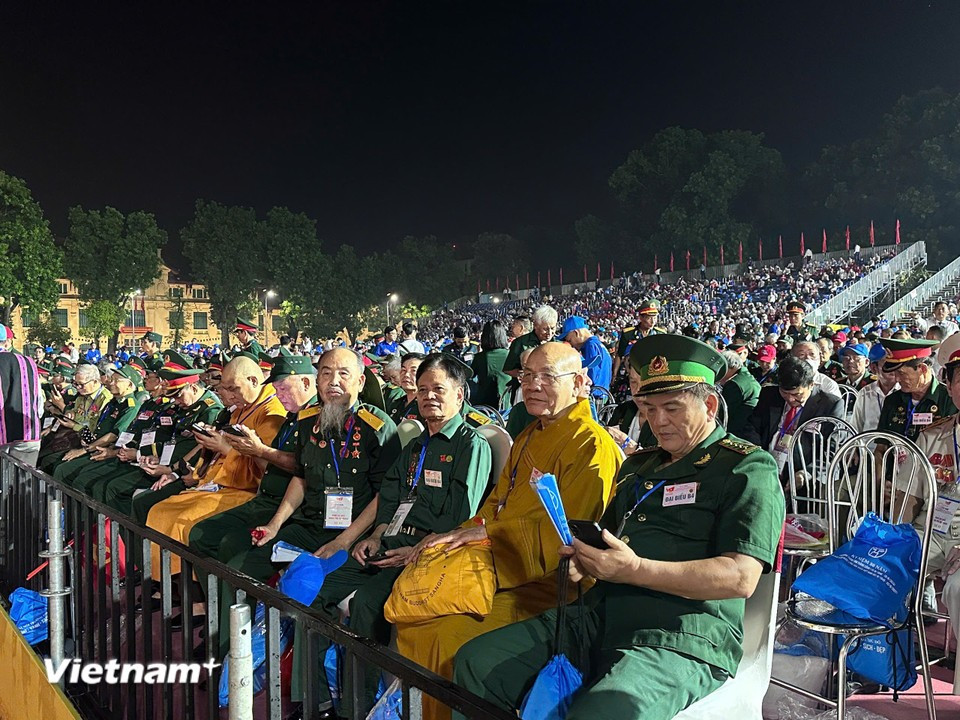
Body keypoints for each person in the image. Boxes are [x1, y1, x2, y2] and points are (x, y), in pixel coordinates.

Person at [453, 334, 784, 720]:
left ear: (709, 405)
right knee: (476, 662)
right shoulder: (638, 466)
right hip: (597, 617)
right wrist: (583, 558)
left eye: (673, 409)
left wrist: (636, 570)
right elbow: (606, 542)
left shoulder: (745, 467)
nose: (658, 422)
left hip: (678, 637)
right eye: (648, 408)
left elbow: (740, 577)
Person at [392, 342, 621, 720]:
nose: (533, 385)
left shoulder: (591, 445)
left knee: (439, 634)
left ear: (580, 383)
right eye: (528, 375)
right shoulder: (530, 434)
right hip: (498, 563)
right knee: (413, 615)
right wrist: (457, 535)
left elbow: (568, 536)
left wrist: (485, 538)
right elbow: (495, 504)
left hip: (547, 583)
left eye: (547, 376)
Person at [300, 353, 491, 717]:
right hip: (390, 542)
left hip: (429, 552)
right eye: (422, 390)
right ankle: (320, 699)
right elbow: (390, 496)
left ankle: (359, 707)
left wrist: (414, 550)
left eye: (439, 389)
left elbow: (460, 519)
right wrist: (373, 536)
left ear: (460, 395)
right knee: (317, 592)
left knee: (367, 603)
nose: (429, 397)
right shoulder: (417, 445)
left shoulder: (471, 445)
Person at [187, 353, 320, 653]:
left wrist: (259, 450)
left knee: (234, 558)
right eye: (278, 389)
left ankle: (230, 645)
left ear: (306, 382)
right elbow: (266, 471)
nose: (280, 395)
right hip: (266, 498)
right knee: (202, 536)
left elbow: (302, 468)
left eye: (285, 389)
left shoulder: (315, 419)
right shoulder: (292, 418)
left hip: (289, 508)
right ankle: (219, 623)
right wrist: (252, 449)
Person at [141, 354, 286, 578]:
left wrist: (225, 449)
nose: (227, 396)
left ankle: (194, 593)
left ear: (254, 381)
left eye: (233, 389)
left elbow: (267, 470)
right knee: (160, 511)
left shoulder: (271, 414)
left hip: (244, 490)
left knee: (184, 523)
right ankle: (169, 585)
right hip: (219, 481)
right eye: (224, 389)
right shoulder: (241, 408)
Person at [743, 356, 844, 480]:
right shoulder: (769, 394)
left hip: (804, 470)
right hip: (766, 463)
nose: (790, 399)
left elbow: (831, 449)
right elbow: (752, 427)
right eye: (785, 393)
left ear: (811, 385)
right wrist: (757, 455)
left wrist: (806, 473)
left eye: (797, 394)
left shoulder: (830, 405)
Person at [876, 337, 956, 443]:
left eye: (902, 373)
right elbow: (881, 447)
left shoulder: (950, 400)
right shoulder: (892, 400)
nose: (897, 379)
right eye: (895, 374)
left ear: (922, 369)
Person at [38, 362, 114, 472]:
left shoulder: (105, 399)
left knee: (54, 464)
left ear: (95, 382)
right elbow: (72, 415)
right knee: (42, 454)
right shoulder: (81, 397)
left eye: (81, 384)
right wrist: (53, 425)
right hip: (73, 436)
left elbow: (96, 430)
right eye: (75, 384)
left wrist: (74, 425)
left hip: (89, 443)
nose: (78, 388)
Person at [0, 325, 43, 466]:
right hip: (28, 433)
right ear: (7, 342)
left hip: (2, 436)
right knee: (24, 483)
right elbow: (39, 403)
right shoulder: (28, 362)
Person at [850, 344, 899, 433]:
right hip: (868, 445)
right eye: (887, 364)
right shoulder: (865, 393)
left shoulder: (905, 392)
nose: (893, 368)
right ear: (874, 368)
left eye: (895, 363)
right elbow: (855, 428)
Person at [557, 315, 612, 394]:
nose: (571, 344)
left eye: (569, 340)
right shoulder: (600, 345)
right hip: (603, 393)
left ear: (576, 333)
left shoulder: (590, 346)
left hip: (595, 395)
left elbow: (591, 375)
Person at [502, 305, 558, 379]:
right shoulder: (520, 343)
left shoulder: (558, 345)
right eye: (545, 329)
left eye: (552, 328)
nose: (549, 333)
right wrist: (522, 374)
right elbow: (508, 369)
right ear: (535, 325)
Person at [612, 299, 660, 380]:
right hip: (632, 374)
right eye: (649, 318)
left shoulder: (660, 333)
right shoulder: (628, 334)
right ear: (641, 318)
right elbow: (620, 355)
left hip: (653, 374)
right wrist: (614, 375)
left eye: (655, 318)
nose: (653, 322)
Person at [719, 349, 761, 436]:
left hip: (738, 432)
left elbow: (723, 414)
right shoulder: (747, 377)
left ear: (731, 367)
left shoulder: (734, 385)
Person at [470, 319, 510, 406]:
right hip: (507, 402)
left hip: (484, 404)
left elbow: (470, 375)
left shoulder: (479, 358)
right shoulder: (510, 355)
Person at [388, 352, 425, 423]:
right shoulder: (396, 403)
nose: (406, 375)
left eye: (413, 371)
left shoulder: (426, 405)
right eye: (403, 370)